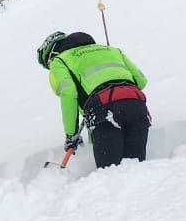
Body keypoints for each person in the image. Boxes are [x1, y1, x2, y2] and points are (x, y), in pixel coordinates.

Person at [37, 31, 151, 168]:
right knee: (136, 169)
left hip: (104, 111)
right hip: (137, 106)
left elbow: (68, 93)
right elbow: (141, 81)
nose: (50, 66)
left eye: (48, 63)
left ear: (52, 53)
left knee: (110, 174)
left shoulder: (60, 61)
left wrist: (71, 134)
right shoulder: (112, 51)